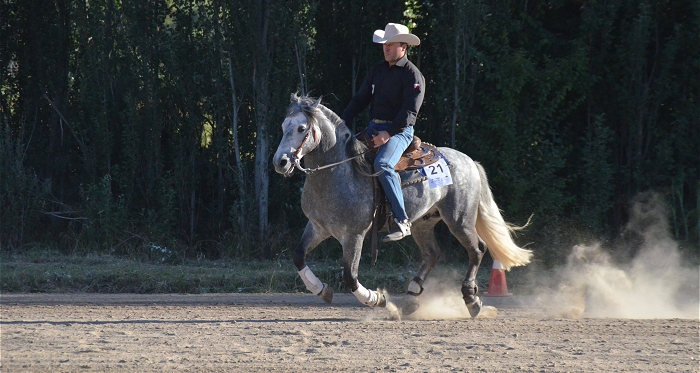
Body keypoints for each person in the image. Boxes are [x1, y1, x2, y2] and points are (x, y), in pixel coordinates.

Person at [341, 23, 425, 242]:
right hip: (373, 127)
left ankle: (402, 220)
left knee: (382, 164)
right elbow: (360, 99)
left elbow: (409, 112)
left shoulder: (412, 75)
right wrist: (341, 123)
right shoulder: (376, 70)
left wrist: (387, 134)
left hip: (399, 131)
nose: (386, 49)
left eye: (391, 45)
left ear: (403, 47)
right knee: (346, 156)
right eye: (384, 45)